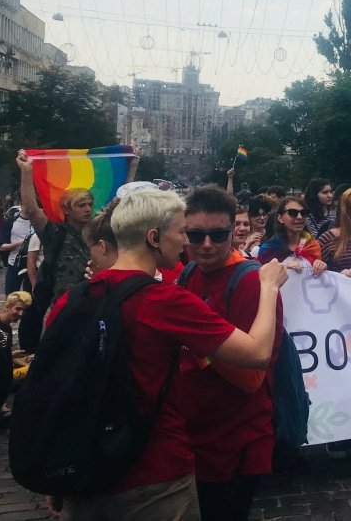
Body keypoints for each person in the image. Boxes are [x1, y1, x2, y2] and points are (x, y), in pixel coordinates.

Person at [46, 189, 287, 521]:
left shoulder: (74, 299)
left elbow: (57, 388)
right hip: (150, 470)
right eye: (187, 233)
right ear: (154, 237)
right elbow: (256, 353)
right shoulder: (165, 300)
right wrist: (270, 286)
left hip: (95, 467)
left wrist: (57, 470)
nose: (199, 244)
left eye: (217, 234)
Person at [176, 186, 288, 521]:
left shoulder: (251, 282)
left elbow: (253, 376)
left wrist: (198, 342)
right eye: (196, 235)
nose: (206, 244)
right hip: (195, 432)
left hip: (235, 439)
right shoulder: (189, 273)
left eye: (218, 234)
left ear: (233, 231)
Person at [16, 149, 136, 351]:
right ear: (67, 209)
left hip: (96, 311)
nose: (88, 209)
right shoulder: (55, 234)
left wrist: (131, 165)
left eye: (90, 204)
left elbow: (121, 204)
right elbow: (30, 209)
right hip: (63, 313)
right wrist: (26, 172)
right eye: (81, 205)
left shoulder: (100, 233)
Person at [257, 196, 327, 275]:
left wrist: (321, 266)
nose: (299, 217)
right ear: (280, 218)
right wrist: (285, 268)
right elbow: (261, 277)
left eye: (304, 213)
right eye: (293, 213)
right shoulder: (268, 249)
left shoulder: (313, 246)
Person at [0, 291, 31, 426]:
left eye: (23, 310)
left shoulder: (7, 328)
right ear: (8, 306)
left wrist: (13, 356)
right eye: (18, 308)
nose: (20, 314)